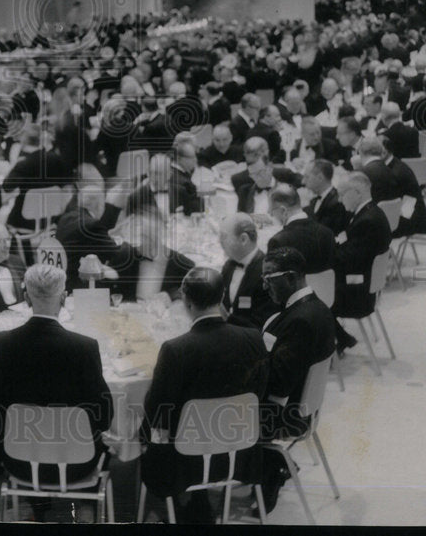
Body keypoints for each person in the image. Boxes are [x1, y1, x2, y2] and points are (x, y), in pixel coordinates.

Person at [0, 263, 114, 518]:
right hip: (77, 464)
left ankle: (33, 505)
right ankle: (85, 506)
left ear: (25, 298)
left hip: (19, 462)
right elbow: (104, 417)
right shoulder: (84, 347)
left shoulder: (4, 343)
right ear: (64, 298)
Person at [140, 266, 268, 524]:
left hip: (185, 462)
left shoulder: (176, 349)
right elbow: (260, 393)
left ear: (186, 302)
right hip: (239, 454)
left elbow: (157, 412)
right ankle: (197, 504)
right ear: (222, 297)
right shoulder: (254, 338)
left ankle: (174, 508)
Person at [257, 246, 336, 514]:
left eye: (269, 278)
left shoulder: (300, 321)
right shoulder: (316, 307)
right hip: (304, 408)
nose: (264, 285)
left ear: (291, 277)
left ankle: (267, 470)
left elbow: (278, 383)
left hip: (284, 415)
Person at [332, 171, 392, 355]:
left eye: (343, 194)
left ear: (357, 193)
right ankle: (342, 338)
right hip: (365, 287)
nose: (340, 200)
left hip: (359, 296)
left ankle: (339, 341)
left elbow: (348, 260)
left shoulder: (367, 220)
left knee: (312, 295)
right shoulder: (370, 213)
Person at [218, 213, 275, 329]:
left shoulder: (268, 273)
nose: (219, 242)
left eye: (223, 237)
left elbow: (262, 325)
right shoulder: (229, 265)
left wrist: (227, 318)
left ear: (243, 239)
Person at [266, 185, 336, 274]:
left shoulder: (278, 241)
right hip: (326, 288)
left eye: (271, 210)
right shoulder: (328, 233)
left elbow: (273, 283)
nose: (271, 215)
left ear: (283, 210)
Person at [301, 159, 350, 237]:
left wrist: (306, 206)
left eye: (307, 177)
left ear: (320, 178)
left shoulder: (337, 202)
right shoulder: (315, 200)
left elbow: (320, 233)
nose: (303, 181)